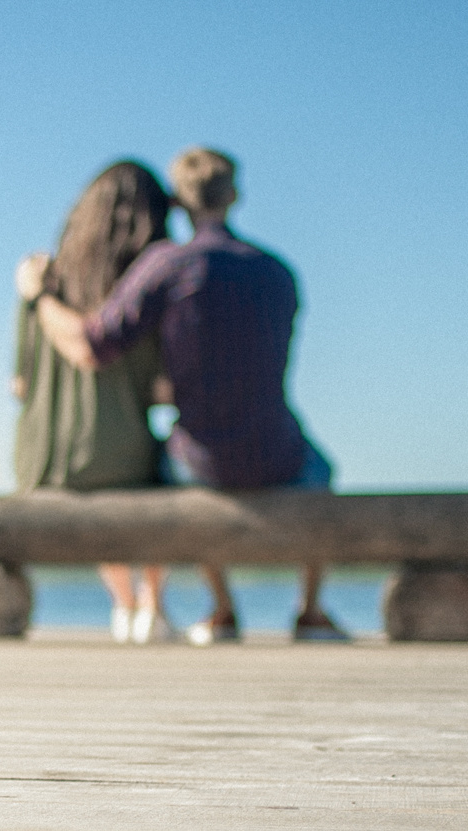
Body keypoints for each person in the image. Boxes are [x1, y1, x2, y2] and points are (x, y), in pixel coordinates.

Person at [17, 147, 347, 644]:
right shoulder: (278, 273)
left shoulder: (166, 266)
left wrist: (39, 295)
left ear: (176, 201)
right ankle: (311, 610)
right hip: (277, 450)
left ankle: (222, 609)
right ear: (234, 195)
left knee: (171, 466)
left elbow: (94, 344)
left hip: (202, 460)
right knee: (323, 472)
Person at [11, 160, 178, 645]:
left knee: (104, 466)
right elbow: (160, 388)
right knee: (145, 467)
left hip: (44, 459)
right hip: (121, 455)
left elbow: (19, 384)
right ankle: (153, 605)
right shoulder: (142, 287)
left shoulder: (41, 282)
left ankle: (124, 604)